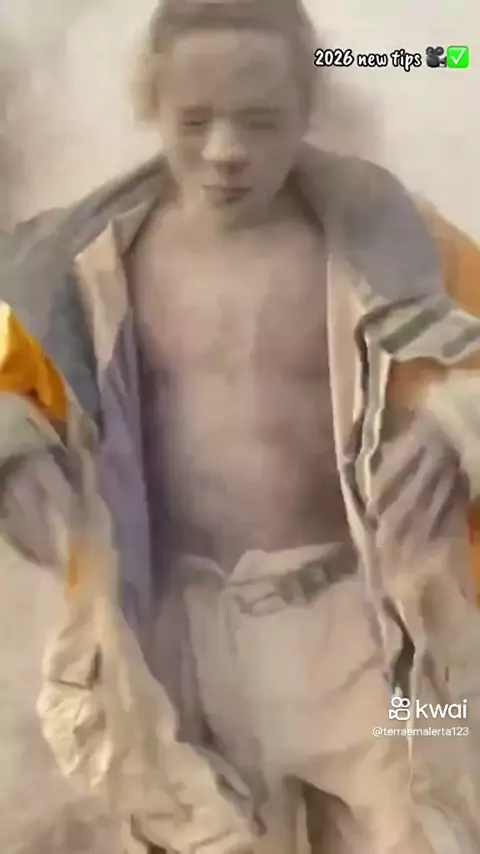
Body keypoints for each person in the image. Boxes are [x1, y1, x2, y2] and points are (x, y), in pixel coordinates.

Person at [2, 1, 480, 853]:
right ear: (152, 104)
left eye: (260, 121)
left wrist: (456, 422)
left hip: (369, 632)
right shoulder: (74, 267)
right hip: (180, 642)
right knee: (198, 831)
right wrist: (13, 443)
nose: (226, 151)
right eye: (196, 121)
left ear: (306, 109)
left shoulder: (395, 242)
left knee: (438, 815)